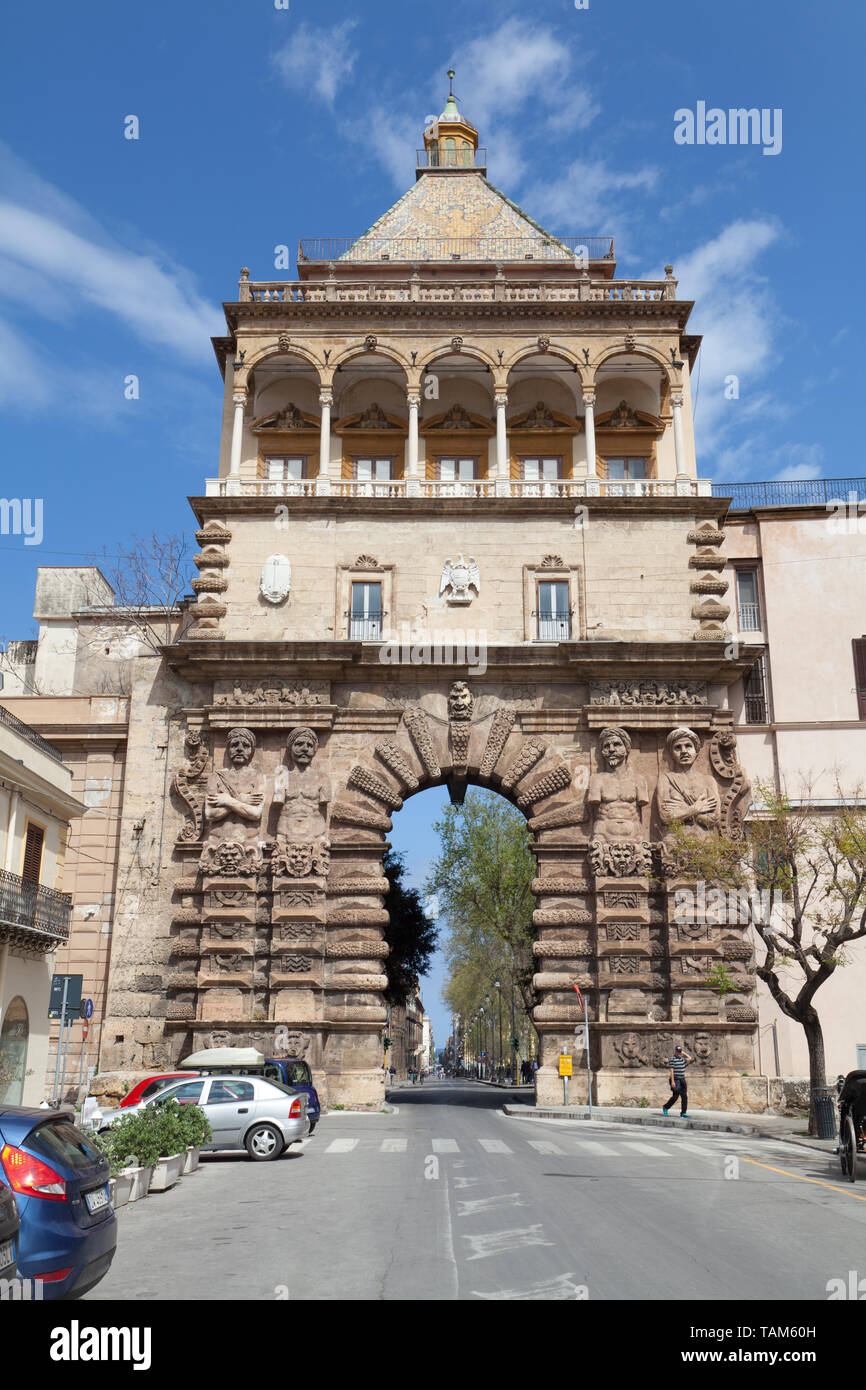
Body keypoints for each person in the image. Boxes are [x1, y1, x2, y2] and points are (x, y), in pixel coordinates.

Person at [663, 1044, 693, 1117]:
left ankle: (683, 1113)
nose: (679, 1053)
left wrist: (684, 1053)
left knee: (684, 1096)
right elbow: (671, 1071)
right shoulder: (673, 1059)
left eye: (680, 1052)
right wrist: (672, 1081)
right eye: (678, 1052)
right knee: (676, 1095)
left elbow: (690, 1058)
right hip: (675, 1079)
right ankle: (666, 1107)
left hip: (682, 1079)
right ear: (675, 1052)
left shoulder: (682, 1059)